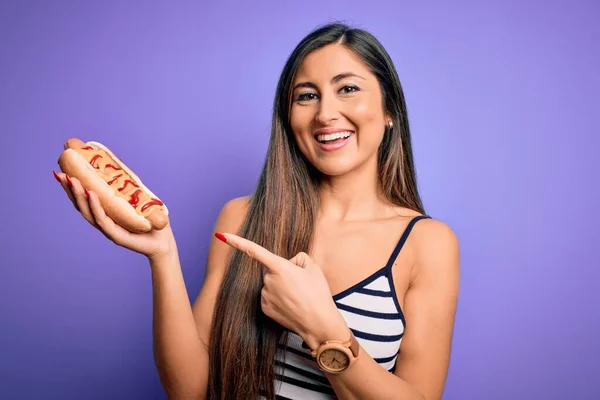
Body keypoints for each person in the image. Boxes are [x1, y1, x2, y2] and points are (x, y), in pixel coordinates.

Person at [54, 22, 460, 400]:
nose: (325, 113)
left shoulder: (428, 244)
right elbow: (190, 390)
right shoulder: (242, 218)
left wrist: (322, 329)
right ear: (288, 116)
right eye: (306, 95)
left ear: (390, 110)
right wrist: (162, 255)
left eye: (348, 89)